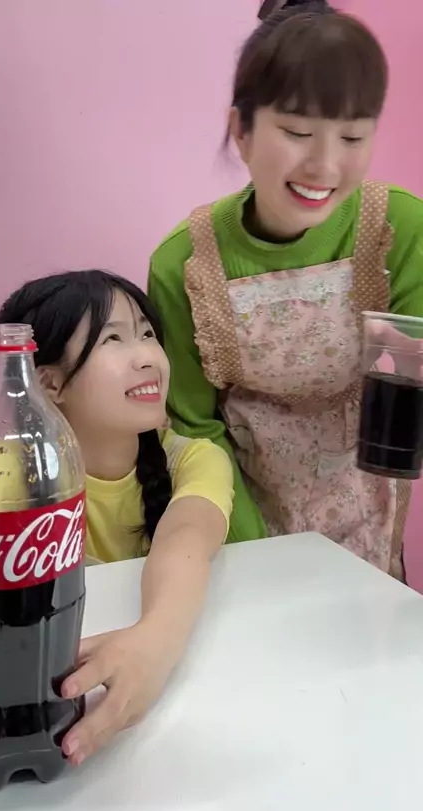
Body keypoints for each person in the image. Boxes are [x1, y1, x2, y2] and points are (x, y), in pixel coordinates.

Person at [148, 0, 423, 580]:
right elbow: (196, 429)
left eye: (352, 136)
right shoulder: (183, 264)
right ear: (241, 131)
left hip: (370, 522)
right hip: (242, 524)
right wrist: (259, 554)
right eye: (297, 132)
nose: (324, 165)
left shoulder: (398, 228)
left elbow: (410, 383)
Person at [0, 269, 233, 778]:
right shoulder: (0, 470)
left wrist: (154, 643)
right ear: (48, 383)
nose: (147, 357)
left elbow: (185, 540)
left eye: (147, 334)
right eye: (113, 340)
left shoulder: (194, 459)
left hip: (158, 740)